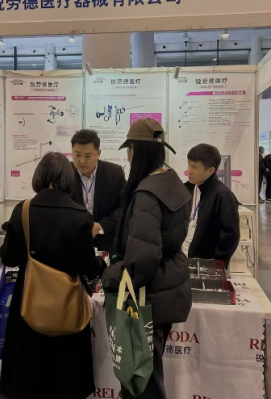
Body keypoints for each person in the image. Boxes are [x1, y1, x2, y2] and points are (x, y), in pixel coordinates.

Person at [0, 152, 106, 399]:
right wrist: (101, 263)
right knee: (65, 379)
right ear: (68, 179)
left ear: (39, 176)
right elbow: (88, 267)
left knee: (27, 378)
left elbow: (8, 257)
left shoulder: (23, 210)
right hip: (67, 307)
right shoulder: (80, 216)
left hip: (28, 303)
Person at [103, 118, 192, 399]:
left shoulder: (146, 194)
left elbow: (143, 258)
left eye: (129, 149)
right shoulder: (172, 181)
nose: (128, 156)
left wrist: (111, 275)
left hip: (148, 296)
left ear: (136, 151)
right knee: (149, 371)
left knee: (140, 380)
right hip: (168, 285)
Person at [70, 129, 126, 254]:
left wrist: (100, 226)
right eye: (77, 155)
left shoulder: (114, 173)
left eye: (87, 156)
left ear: (98, 153)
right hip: (73, 243)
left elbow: (124, 207)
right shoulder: (64, 173)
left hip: (107, 243)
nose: (82, 161)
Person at [184, 144, 240, 266]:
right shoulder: (188, 188)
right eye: (188, 164)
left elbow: (230, 236)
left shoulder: (223, 195)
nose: (189, 171)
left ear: (211, 170)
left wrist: (216, 263)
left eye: (194, 167)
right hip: (183, 258)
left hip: (204, 263)